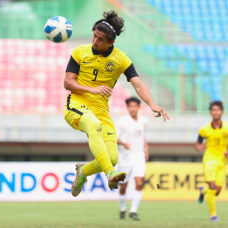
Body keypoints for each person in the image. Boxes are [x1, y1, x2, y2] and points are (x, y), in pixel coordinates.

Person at [63, 10, 169, 195]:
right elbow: (67, 82)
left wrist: (151, 103)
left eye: (100, 39)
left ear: (111, 42)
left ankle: (83, 171)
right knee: (95, 128)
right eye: (94, 35)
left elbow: (138, 84)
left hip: (101, 110)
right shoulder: (80, 52)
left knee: (111, 157)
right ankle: (110, 173)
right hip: (77, 104)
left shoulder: (121, 59)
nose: (95, 41)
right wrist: (91, 89)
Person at [116, 97, 149, 220]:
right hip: (125, 158)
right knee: (123, 186)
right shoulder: (121, 122)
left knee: (139, 183)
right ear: (128, 107)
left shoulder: (144, 121)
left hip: (139, 157)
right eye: (131, 106)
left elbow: (142, 136)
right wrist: (124, 144)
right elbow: (114, 138)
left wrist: (146, 148)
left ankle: (133, 211)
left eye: (135, 106)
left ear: (138, 107)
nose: (133, 108)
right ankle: (122, 208)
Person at [196, 101, 228, 222]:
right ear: (211, 112)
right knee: (212, 186)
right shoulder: (204, 129)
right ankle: (213, 215)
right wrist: (198, 147)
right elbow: (198, 143)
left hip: (222, 162)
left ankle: (202, 191)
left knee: (217, 191)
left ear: (222, 112)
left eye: (218, 110)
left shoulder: (226, 127)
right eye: (213, 110)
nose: (216, 112)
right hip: (209, 160)